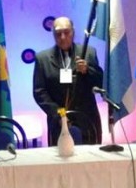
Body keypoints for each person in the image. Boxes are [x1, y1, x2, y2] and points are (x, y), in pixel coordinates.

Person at [33, 16, 103, 145]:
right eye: (58, 33)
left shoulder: (88, 52)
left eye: (66, 32)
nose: (63, 37)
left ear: (73, 32)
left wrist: (87, 70)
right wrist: (59, 114)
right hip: (58, 121)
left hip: (87, 119)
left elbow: (100, 82)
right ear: (53, 35)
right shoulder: (42, 58)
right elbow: (39, 92)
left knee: (90, 156)